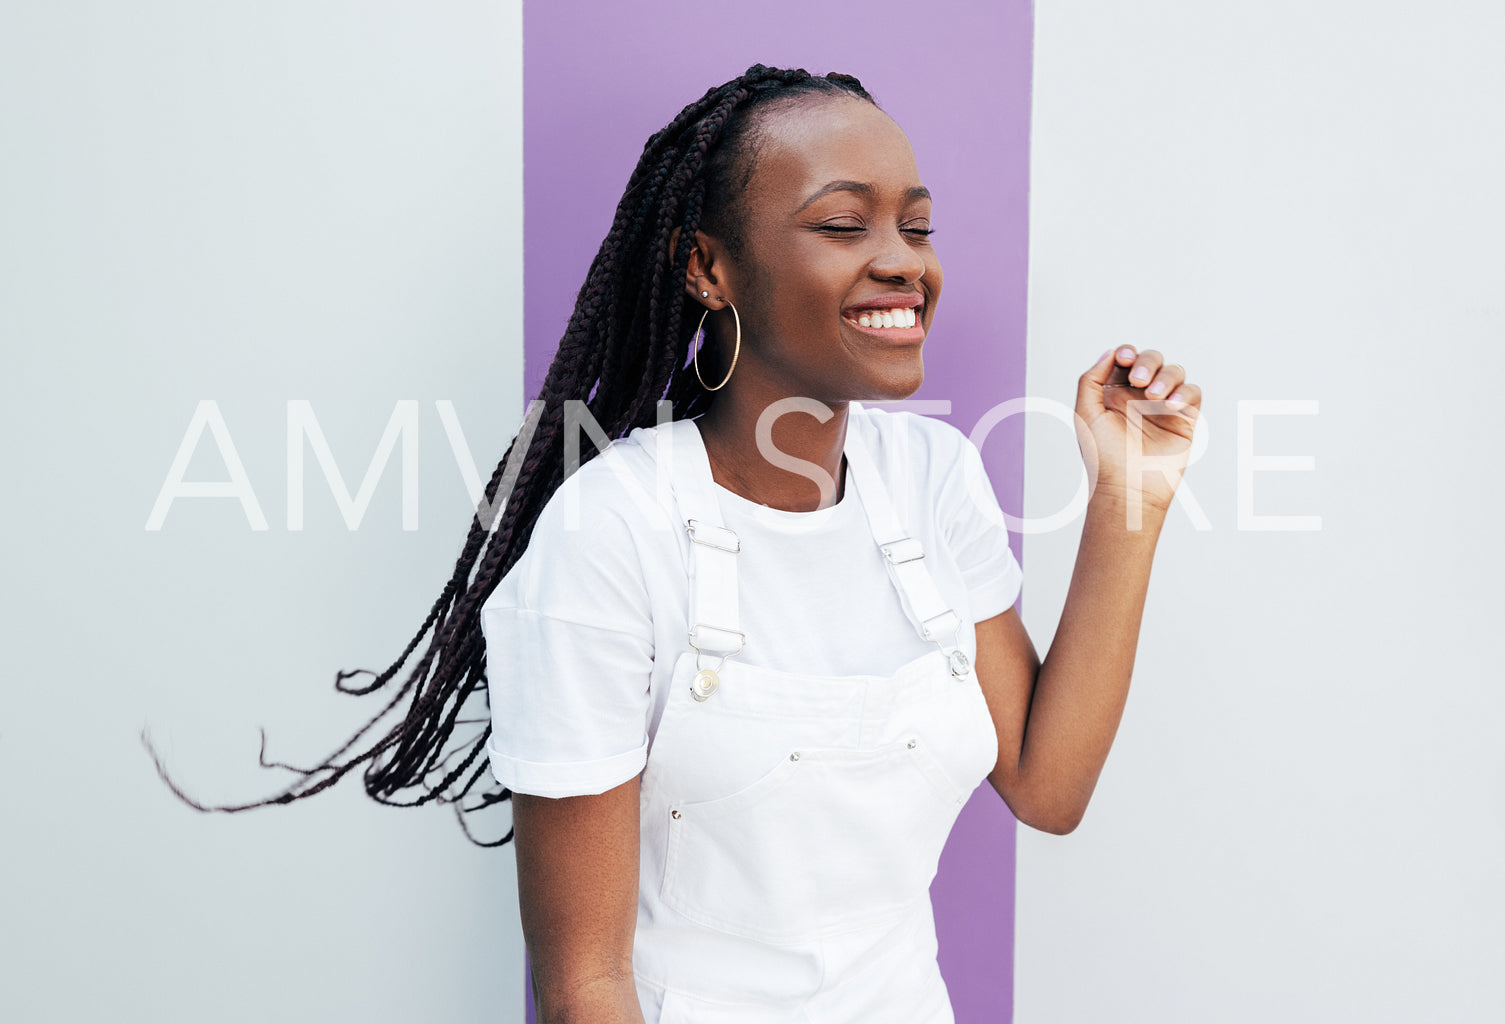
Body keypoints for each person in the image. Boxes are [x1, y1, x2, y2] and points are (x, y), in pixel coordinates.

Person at [151, 64, 1200, 1023]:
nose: (900, 263)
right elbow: (586, 988)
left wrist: (1130, 499)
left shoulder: (932, 481)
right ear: (708, 267)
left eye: (915, 229)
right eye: (842, 225)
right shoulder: (610, 534)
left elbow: (1044, 786)